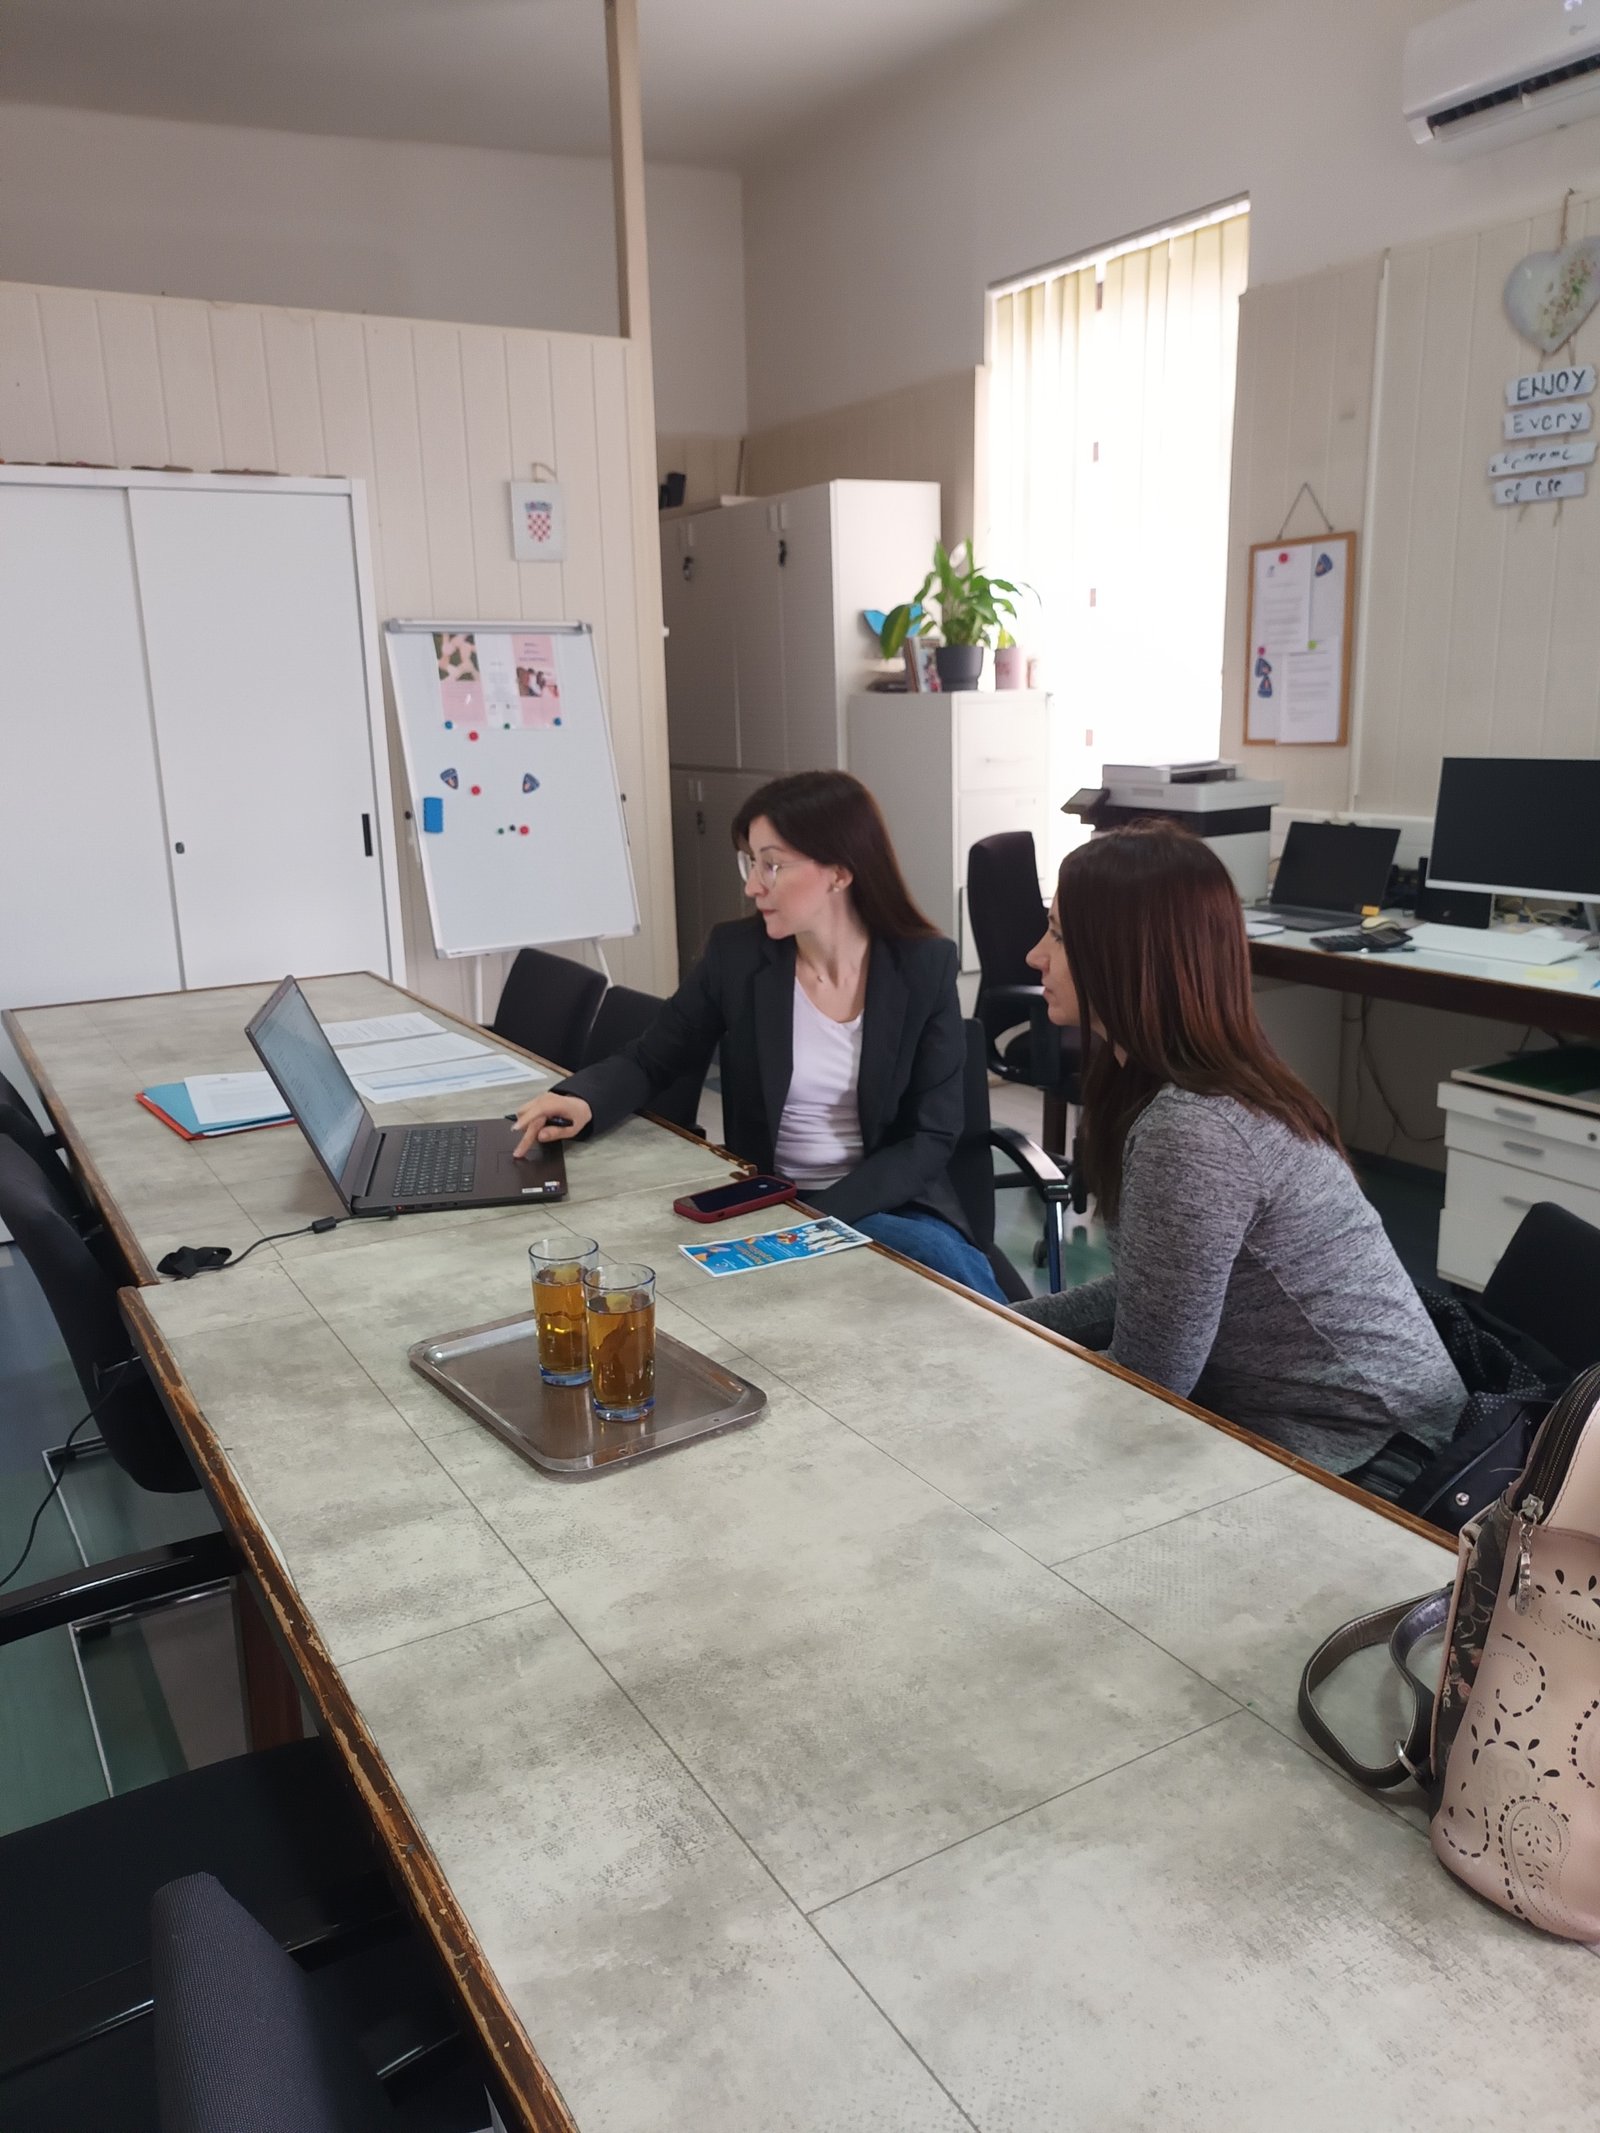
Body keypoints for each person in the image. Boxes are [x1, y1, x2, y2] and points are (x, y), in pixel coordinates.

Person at [1015, 822, 1465, 1494]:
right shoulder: (1158, 1083)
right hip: (1304, 1423)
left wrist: (1003, 1359)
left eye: (1056, 933)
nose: (1034, 955)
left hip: (1375, 1459)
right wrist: (997, 1324)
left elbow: (1149, 1383)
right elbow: (1153, 1299)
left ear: (1125, 955)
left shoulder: (1194, 1129)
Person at [510, 768, 1008, 1303]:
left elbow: (930, 1138)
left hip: (885, 1200)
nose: (752, 885)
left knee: (938, 1259)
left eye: (772, 864)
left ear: (839, 872)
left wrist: (817, 1218)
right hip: (767, 1199)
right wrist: (582, 1099)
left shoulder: (924, 965)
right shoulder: (737, 955)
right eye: (750, 862)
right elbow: (654, 1058)